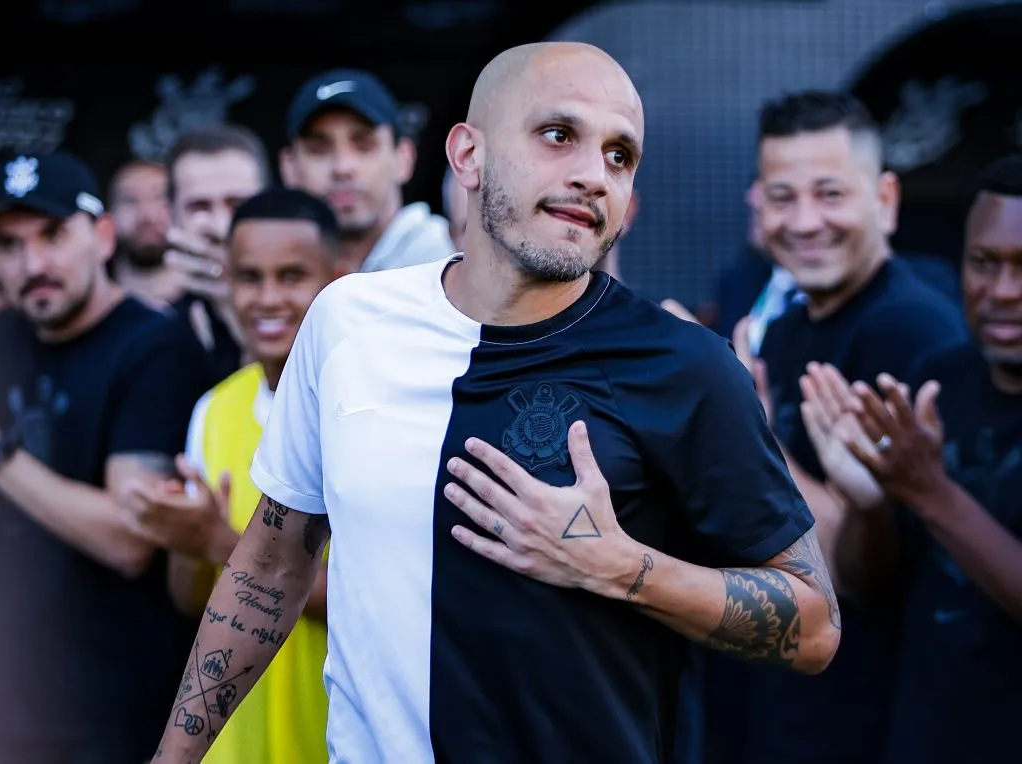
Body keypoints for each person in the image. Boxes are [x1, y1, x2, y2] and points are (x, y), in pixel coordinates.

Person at [152, 43, 840, 764]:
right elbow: (268, 571)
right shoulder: (346, 322)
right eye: (559, 135)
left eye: (620, 155)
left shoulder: (685, 366)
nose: (592, 174)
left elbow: (815, 625)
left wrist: (624, 568)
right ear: (468, 155)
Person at [723, 90, 968, 764]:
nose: (805, 222)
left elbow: (868, 577)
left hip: (866, 721)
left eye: (829, 194)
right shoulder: (790, 325)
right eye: (782, 197)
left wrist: (752, 432)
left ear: (884, 200)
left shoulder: (912, 331)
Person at [799, 154, 1022, 764]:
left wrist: (929, 491)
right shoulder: (936, 381)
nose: (1004, 291)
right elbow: (869, 588)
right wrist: (868, 504)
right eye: (985, 263)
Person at [0, 153, 212, 762]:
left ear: (103, 237)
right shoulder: (5, 339)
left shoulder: (154, 345)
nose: (33, 265)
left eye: (53, 236)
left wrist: (3, 457)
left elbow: (129, 536)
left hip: (111, 712)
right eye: (9, 245)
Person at [124, 188, 341, 764]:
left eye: (291, 276)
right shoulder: (214, 409)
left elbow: (375, 600)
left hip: (330, 743)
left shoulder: (368, 413)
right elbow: (190, 597)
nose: (267, 298)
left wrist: (221, 541)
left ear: (339, 282)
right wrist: (189, 541)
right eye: (248, 277)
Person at [280, 68, 453, 274]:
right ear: (289, 167)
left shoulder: (449, 258)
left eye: (364, 146)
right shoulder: (272, 267)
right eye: (318, 149)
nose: (342, 167)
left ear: (403, 158)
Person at [164, 125, 273, 383]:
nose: (221, 226)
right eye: (199, 207)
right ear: (171, 213)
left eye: (237, 204)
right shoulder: (156, 327)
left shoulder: (308, 305)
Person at [107, 159, 176, 306]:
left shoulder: (209, 304)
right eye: (130, 200)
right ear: (110, 216)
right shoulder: (94, 310)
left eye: (160, 198)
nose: (147, 215)